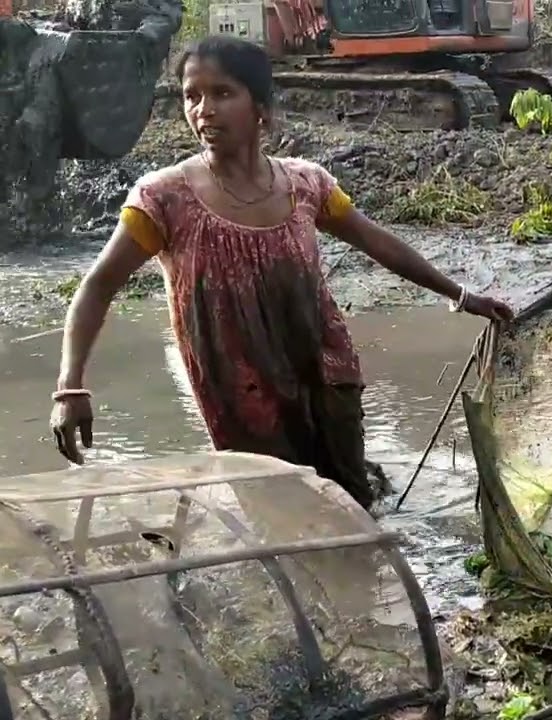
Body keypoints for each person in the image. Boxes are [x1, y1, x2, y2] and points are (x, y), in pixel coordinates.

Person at [48, 35, 515, 510]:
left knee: (351, 505)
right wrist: (70, 386)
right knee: (276, 511)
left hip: (326, 379)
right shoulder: (163, 200)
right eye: (193, 96)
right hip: (239, 396)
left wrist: (461, 295)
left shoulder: (306, 184)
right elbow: (98, 286)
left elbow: (379, 243)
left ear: (261, 108)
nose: (204, 110)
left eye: (223, 93)